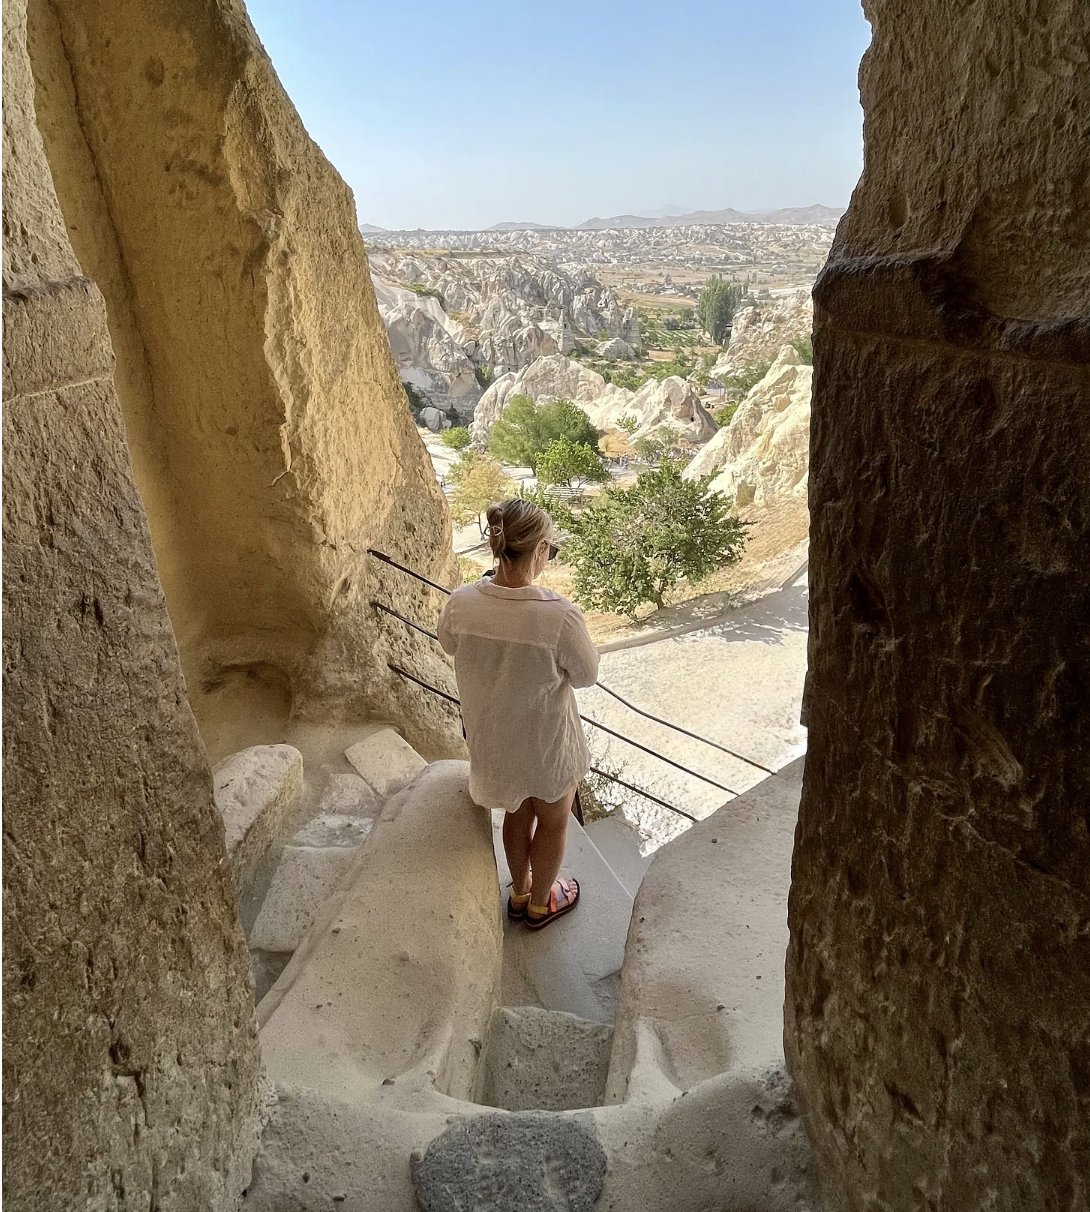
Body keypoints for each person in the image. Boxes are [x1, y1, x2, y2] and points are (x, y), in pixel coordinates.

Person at [437, 499, 599, 930]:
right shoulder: (559, 615)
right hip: (547, 745)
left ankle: (520, 890)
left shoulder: (462, 602)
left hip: (494, 740)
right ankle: (543, 903)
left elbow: (449, 644)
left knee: (515, 812)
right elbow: (586, 675)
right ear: (541, 549)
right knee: (553, 821)